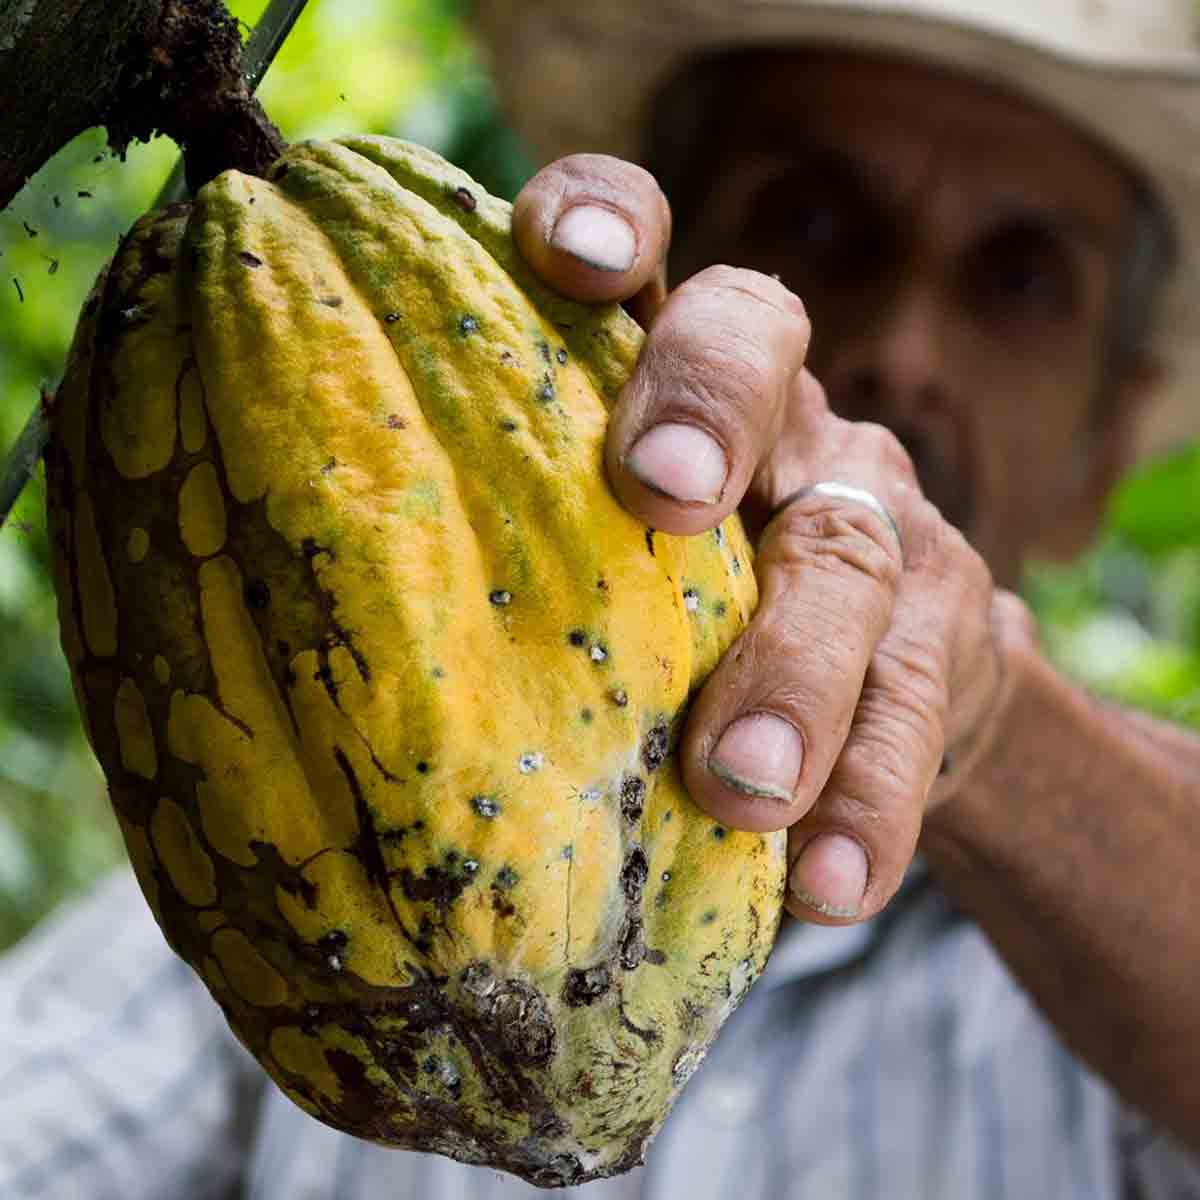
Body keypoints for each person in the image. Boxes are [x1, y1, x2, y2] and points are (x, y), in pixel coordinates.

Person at [3, 0, 1200, 1196]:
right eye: (814, 217)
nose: (906, 350)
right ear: (648, 279)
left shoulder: (1117, 1002)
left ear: (1106, 450)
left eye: (1023, 280)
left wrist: (981, 716)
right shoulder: (273, 865)